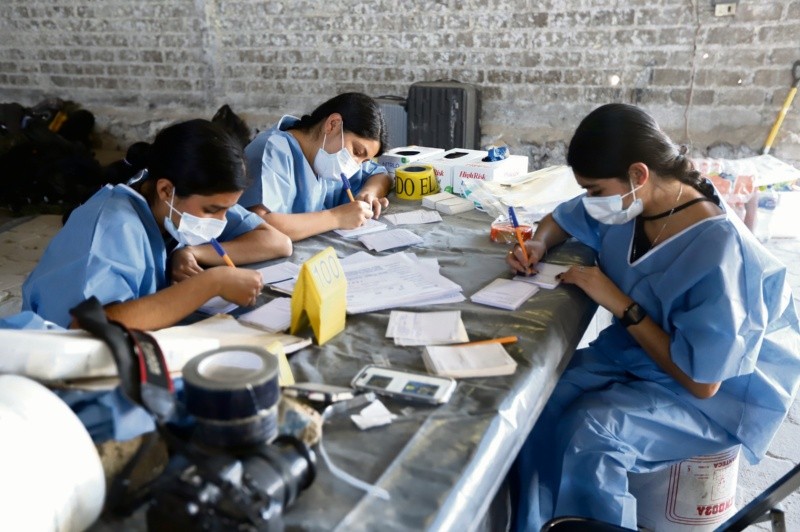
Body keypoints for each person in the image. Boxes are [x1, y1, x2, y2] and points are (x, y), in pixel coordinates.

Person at [505, 103, 800, 531]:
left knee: (592, 432)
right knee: (539, 399)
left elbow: (702, 383)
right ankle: (537, 524)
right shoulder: (632, 204)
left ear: (638, 174)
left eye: (594, 190)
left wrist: (620, 304)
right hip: (637, 356)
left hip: (713, 395)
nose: (591, 200)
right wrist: (538, 243)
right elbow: (564, 217)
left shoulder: (719, 250)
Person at [22, 119, 292, 330]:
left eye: (227, 210)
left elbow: (277, 242)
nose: (221, 222)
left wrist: (192, 252)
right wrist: (212, 282)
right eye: (212, 210)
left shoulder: (181, 201)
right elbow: (86, 327)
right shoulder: (111, 231)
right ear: (166, 190)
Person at [238, 92, 392, 241]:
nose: (355, 166)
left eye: (363, 161)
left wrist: (368, 194)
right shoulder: (272, 150)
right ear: (333, 125)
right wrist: (336, 218)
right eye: (357, 152)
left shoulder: (327, 158)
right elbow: (259, 225)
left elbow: (381, 175)